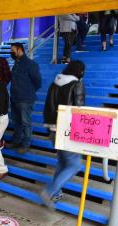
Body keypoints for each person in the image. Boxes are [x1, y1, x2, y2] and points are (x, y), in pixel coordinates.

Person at [41, 61, 86, 207]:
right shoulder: (76, 84)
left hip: (53, 129)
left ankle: (56, 193)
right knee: (74, 165)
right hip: (68, 130)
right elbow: (79, 109)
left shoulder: (55, 83)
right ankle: (49, 192)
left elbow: (48, 106)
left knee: (62, 162)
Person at [9, 42, 42, 154]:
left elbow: (38, 82)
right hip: (14, 98)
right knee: (16, 121)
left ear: (19, 50)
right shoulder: (16, 64)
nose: (11, 52)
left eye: (13, 50)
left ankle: (26, 144)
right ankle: (16, 141)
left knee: (25, 122)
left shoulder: (30, 64)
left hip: (25, 99)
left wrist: (28, 91)